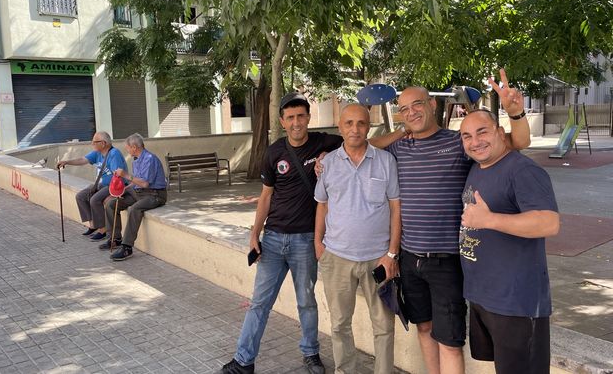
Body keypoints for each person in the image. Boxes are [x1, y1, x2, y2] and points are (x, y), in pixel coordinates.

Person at [357, 69, 531, 374]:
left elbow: (518, 143)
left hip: (447, 260)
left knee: (450, 341)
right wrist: (401, 130)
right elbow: (367, 146)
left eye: (418, 105)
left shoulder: (458, 143)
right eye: (405, 108)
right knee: (424, 329)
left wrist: (515, 115)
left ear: (433, 105)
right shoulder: (400, 147)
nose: (412, 112)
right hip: (410, 259)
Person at [217, 92, 343, 374]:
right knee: (259, 303)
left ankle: (311, 354)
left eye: (301, 116)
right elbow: (266, 196)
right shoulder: (274, 152)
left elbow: (361, 141)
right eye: (290, 118)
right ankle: (243, 360)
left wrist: (401, 134)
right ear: (282, 121)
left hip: (306, 240)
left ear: (308, 118)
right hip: (273, 240)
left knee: (306, 302)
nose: (296, 122)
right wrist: (254, 235)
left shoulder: (327, 142)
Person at [459, 109, 559, 374]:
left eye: (482, 132)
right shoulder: (478, 167)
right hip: (484, 296)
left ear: (500, 133)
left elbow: (549, 222)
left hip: (516, 302)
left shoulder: (522, 169)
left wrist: (490, 220)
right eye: (467, 136)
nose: (475, 141)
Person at [314, 104, 400, 374]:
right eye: (349, 123)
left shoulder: (386, 161)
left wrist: (392, 254)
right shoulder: (327, 164)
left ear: (368, 127)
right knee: (339, 324)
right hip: (337, 258)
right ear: (340, 127)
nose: (355, 129)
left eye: (361, 123)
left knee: (384, 326)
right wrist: (319, 244)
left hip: (378, 259)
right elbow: (322, 205)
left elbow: (396, 208)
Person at [100, 133, 167, 261]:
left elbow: (145, 183)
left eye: (128, 148)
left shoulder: (149, 159)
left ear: (134, 147)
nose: (127, 150)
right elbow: (136, 182)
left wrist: (125, 174)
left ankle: (127, 247)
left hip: (154, 194)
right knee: (111, 204)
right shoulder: (136, 159)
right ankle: (115, 239)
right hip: (139, 192)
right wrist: (122, 190)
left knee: (134, 209)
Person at [57, 131, 127, 241]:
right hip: (102, 184)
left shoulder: (114, 154)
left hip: (113, 186)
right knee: (81, 196)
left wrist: (113, 194)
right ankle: (93, 225)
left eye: (94, 142)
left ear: (103, 143)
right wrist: (66, 162)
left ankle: (103, 230)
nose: (92, 144)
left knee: (95, 200)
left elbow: (118, 176)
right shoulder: (97, 153)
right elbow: (82, 160)